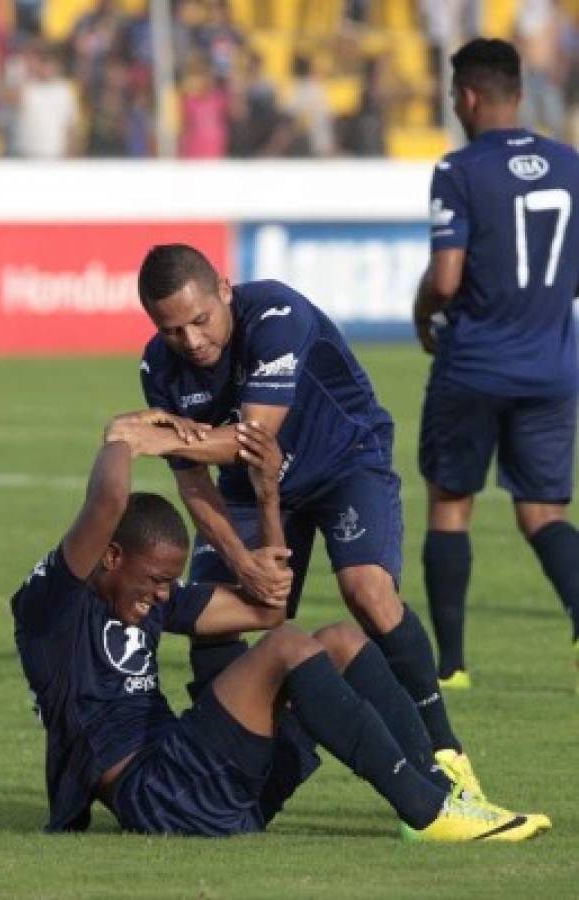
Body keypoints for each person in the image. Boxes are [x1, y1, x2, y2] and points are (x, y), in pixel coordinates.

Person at [10, 412, 549, 841]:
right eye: (152, 580)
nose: (160, 595)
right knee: (287, 648)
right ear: (109, 557)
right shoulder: (52, 604)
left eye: (167, 584)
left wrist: (268, 497)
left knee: (338, 639)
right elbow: (107, 501)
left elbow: (267, 609)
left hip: (206, 784)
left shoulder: (150, 599)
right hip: (157, 793)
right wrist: (121, 437)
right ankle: (428, 813)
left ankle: (446, 796)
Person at [137, 242, 484, 794]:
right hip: (250, 485)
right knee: (221, 613)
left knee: (367, 590)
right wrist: (238, 560)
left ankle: (444, 750)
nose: (192, 342)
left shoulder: (277, 315)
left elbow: (255, 436)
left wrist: (152, 440)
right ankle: (231, 772)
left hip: (345, 461)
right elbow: (193, 481)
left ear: (224, 289)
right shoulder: (159, 365)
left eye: (200, 321)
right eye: (173, 330)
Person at [413, 37, 579, 690]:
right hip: (552, 370)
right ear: (518, 94)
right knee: (543, 513)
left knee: (450, 504)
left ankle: (450, 665)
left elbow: (447, 278)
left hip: (474, 366)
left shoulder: (457, 170)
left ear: (467, 96)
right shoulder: (570, 164)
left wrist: (419, 309)